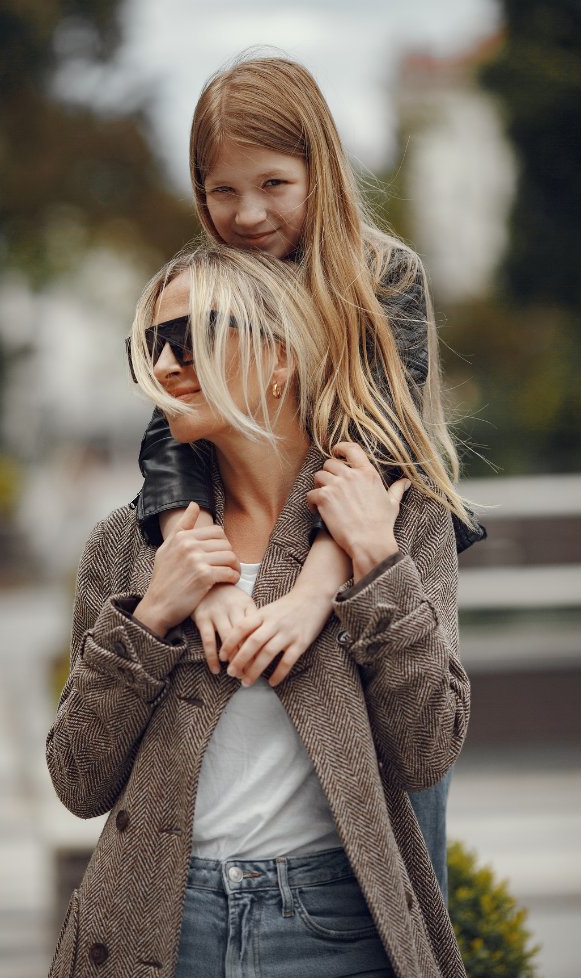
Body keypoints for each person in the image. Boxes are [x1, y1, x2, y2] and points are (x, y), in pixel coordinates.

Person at [46, 243, 470, 978]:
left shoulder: (400, 522)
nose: (165, 365)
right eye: (149, 346)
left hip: (341, 928)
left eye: (190, 337)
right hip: (160, 926)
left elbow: (425, 751)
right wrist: (148, 621)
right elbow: (78, 780)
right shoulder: (128, 541)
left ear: (279, 357)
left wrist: (377, 565)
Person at [132, 54, 485, 899]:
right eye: (222, 190)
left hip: (371, 559)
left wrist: (313, 592)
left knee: (404, 820)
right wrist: (204, 570)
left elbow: (378, 448)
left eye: (273, 184)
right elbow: (168, 438)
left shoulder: (382, 277)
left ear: (319, 170)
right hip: (250, 555)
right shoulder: (208, 289)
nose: (248, 214)